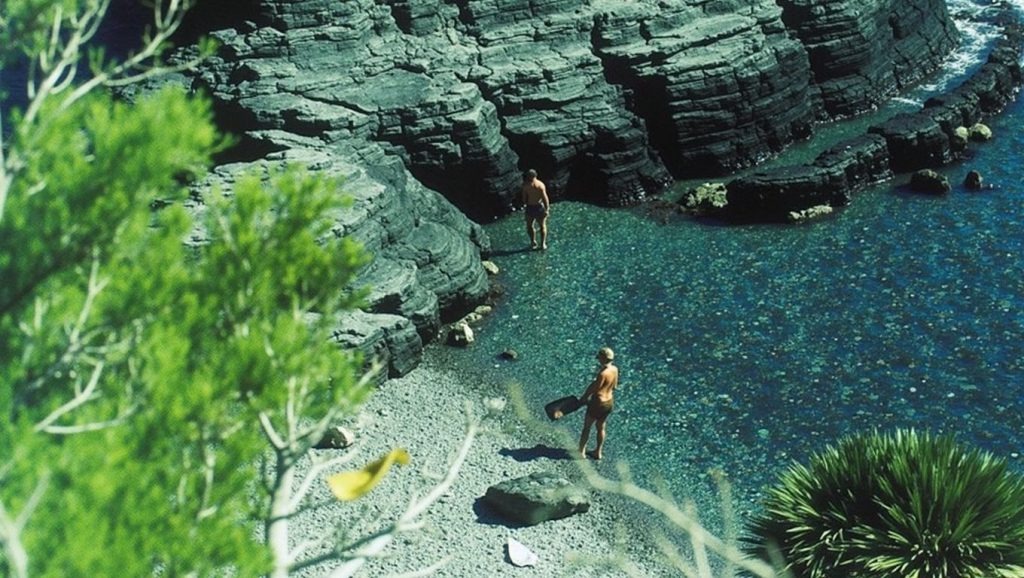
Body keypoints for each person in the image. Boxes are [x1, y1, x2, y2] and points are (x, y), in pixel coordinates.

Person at [578, 347, 619, 460]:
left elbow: (595, 388)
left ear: (602, 358)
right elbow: (615, 386)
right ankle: (598, 452)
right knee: (601, 427)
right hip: (609, 403)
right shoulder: (615, 369)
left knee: (587, 427)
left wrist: (584, 397)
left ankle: (581, 452)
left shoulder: (603, 373)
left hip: (598, 403)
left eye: (599, 358)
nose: (598, 360)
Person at [521, 169, 550, 250]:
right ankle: (542, 243)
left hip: (530, 207)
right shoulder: (540, 185)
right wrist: (547, 209)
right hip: (539, 207)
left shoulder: (525, 185)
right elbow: (545, 198)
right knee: (542, 226)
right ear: (536, 175)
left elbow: (524, 199)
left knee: (530, 226)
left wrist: (525, 204)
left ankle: (533, 242)